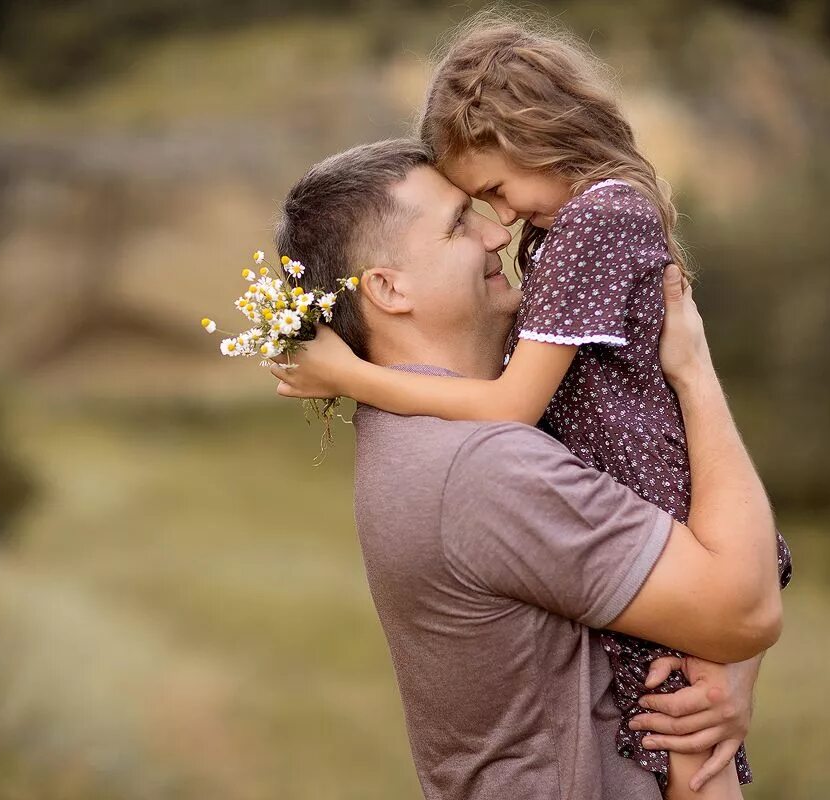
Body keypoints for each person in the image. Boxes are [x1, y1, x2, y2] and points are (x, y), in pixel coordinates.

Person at [271, 20, 792, 799]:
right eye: (462, 219)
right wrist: (696, 374)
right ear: (387, 289)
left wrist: (725, 679)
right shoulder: (482, 465)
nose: (498, 231)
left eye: (488, 198)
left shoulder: (436, 431)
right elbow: (744, 608)